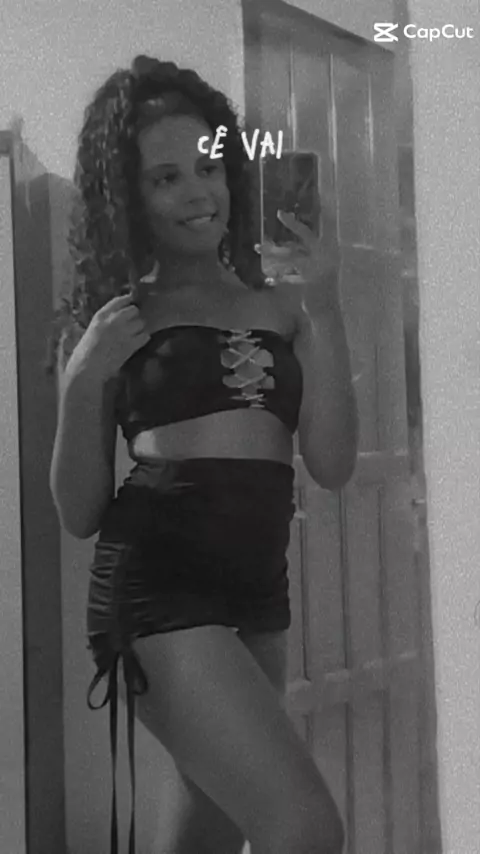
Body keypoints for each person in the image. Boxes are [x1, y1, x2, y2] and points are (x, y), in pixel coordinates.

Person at [48, 53, 358, 854]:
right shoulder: (119, 319)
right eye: (166, 178)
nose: (197, 192)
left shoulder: (286, 308)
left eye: (209, 168)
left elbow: (332, 463)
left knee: (207, 843)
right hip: (159, 588)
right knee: (305, 829)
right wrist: (83, 378)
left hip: (257, 591)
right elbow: (78, 510)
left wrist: (326, 308)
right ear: (130, 199)